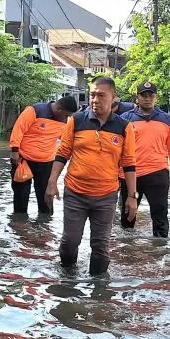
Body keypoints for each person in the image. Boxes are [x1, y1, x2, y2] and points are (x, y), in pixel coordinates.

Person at [47, 77, 137, 275]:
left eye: (101, 95)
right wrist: (52, 181)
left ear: (114, 98)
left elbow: (129, 163)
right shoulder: (76, 121)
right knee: (69, 242)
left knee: (100, 247)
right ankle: (67, 283)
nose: (95, 99)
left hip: (106, 196)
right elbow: (63, 152)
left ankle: (99, 297)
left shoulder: (124, 127)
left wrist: (132, 197)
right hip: (75, 193)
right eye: (92, 94)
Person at [119, 81, 170, 238]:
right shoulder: (125, 119)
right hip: (130, 175)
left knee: (160, 216)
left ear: (155, 97)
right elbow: (116, 148)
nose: (147, 98)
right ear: (137, 97)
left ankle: (160, 252)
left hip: (157, 173)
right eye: (143, 95)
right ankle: (126, 252)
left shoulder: (167, 120)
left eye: (150, 95)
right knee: (127, 217)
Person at [9, 95, 78, 216]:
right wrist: (14, 151)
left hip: (47, 163)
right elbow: (18, 129)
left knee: (46, 198)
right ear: (59, 108)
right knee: (21, 196)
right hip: (23, 160)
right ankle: (19, 226)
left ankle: (45, 227)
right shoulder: (34, 111)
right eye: (66, 115)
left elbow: (66, 140)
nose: (67, 118)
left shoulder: (66, 121)